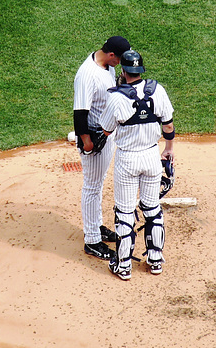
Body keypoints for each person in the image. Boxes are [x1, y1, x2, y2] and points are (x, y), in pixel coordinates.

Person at [99, 50, 175, 281]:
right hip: (152, 157)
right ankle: (155, 261)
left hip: (128, 160)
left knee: (124, 211)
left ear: (122, 71)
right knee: (152, 208)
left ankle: (123, 266)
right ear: (141, 70)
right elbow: (169, 126)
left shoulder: (116, 97)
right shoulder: (158, 90)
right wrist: (169, 150)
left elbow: (106, 130)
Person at [73, 36, 131, 260]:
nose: (121, 65)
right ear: (111, 55)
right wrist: (88, 143)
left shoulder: (106, 66)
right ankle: (92, 241)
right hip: (95, 138)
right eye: (120, 60)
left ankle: (96, 227)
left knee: (98, 183)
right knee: (92, 186)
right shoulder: (87, 74)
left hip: (106, 134)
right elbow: (80, 113)